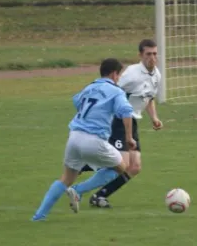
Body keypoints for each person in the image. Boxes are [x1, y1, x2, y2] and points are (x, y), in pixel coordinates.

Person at [31, 58, 136, 221]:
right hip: (94, 140)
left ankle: (39, 216)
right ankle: (79, 190)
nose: (119, 78)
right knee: (122, 167)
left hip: (74, 137)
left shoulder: (89, 87)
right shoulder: (116, 91)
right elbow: (126, 111)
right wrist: (129, 137)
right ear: (114, 74)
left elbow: (76, 101)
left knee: (66, 178)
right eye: (119, 74)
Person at [73, 39, 163, 208]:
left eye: (155, 54)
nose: (152, 57)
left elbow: (149, 98)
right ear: (140, 55)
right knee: (120, 162)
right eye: (148, 54)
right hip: (118, 120)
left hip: (132, 121)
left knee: (134, 167)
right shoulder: (132, 74)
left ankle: (100, 195)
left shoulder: (157, 75)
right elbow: (110, 88)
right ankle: (80, 177)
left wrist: (154, 118)